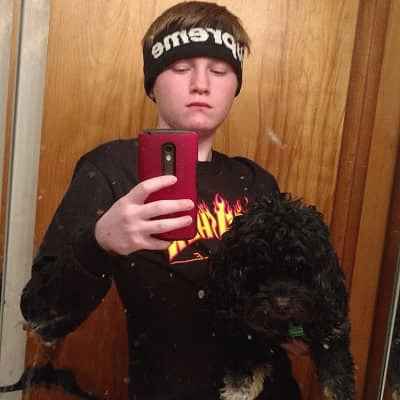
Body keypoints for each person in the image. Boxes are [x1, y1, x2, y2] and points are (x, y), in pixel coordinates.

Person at [20, 2, 302, 399]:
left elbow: (295, 296)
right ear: (152, 84)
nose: (201, 84)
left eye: (219, 70)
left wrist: (299, 331)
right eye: (181, 68)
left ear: (235, 87)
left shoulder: (256, 182)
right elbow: (41, 315)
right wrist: (98, 244)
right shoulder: (112, 170)